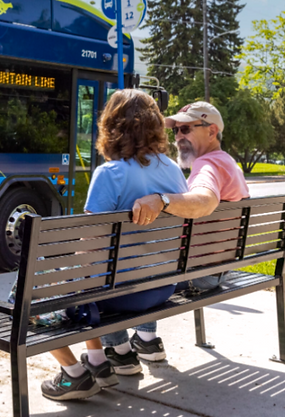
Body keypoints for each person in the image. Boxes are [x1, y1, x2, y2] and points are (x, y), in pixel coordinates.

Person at [37, 89, 188, 401]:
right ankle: (98, 363)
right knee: (81, 281)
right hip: (161, 287)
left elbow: (88, 253)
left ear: (111, 126)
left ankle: (74, 374)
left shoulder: (110, 174)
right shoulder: (173, 169)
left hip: (120, 297)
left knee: (27, 296)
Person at [129, 101, 249, 360]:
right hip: (218, 267)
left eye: (186, 129)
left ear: (212, 131)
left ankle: (129, 346)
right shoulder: (227, 163)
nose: (179, 137)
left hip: (199, 274)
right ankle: (144, 339)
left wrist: (162, 200)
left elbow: (205, 201)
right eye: (176, 131)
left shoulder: (208, 166)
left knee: (119, 267)